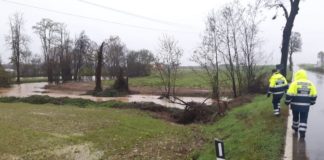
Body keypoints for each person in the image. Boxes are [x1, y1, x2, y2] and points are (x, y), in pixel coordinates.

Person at [285, 69, 317, 138]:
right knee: (304, 118)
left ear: (297, 75)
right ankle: (302, 132)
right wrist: (312, 102)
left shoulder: (294, 83)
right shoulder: (310, 84)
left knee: (295, 116)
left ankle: (295, 127)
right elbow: (314, 95)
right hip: (305, 106)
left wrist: (287, 102)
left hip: (295, 105)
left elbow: (289, 94)